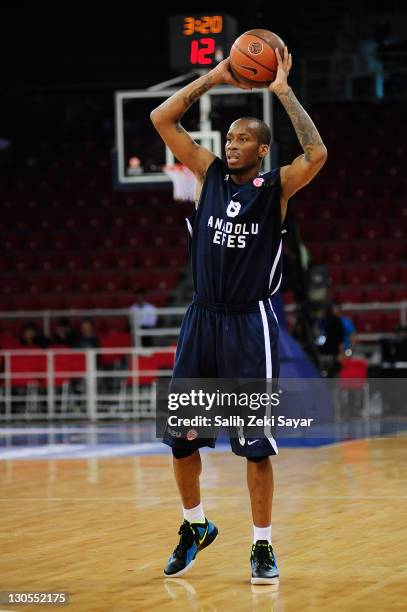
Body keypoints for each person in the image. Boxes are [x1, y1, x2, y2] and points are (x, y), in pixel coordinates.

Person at [150, 47, 327, 584]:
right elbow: (162, 118)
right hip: (202, 319)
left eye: (243, 138)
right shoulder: (205, 174)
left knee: (253, 447)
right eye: (228, 138)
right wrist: (219, 75)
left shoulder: (275, 188)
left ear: (263, 147)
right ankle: (194, 525)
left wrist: (281, 90)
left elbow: (316, 153)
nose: (231, 145)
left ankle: (263, 547)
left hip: (249, 325)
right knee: (181, 439)